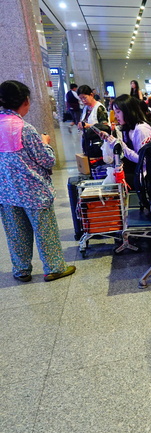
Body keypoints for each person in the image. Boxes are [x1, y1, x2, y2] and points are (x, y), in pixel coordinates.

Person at [0, 80, 76, 282]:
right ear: (25, 101)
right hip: (33, 191)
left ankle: (21, 269)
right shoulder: (25, 129)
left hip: (6, 191)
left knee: (15, 233)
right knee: (45, 231)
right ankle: (54, 267)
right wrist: (45, 143)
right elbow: (46, 159)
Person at [98, 95, 151, 187]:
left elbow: (143, 160)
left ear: (128, 111)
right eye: (114, 112)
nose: (116, 116)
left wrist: (119, 145)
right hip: (137, 170)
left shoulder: (141, 130)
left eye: (118, 112)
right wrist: (109, 139)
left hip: (146, 176)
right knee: (111, 176)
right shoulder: (129, 128)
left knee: (113, 182)